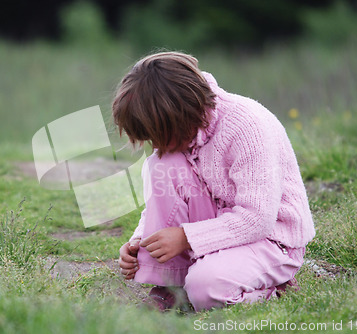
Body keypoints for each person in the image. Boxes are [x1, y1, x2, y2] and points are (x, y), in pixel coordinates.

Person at [113, 51, 315, 312]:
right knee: (162, 165)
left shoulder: (247, 127)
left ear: (181, 115)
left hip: (271, 239)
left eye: (159, 136)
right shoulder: (185, 131)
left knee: (206, 288)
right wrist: (139, 241)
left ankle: (272, 291)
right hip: (217, 232)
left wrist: (185, 238)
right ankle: (172, 288)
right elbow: (169, 201)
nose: (156, 144)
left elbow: (258, 219)